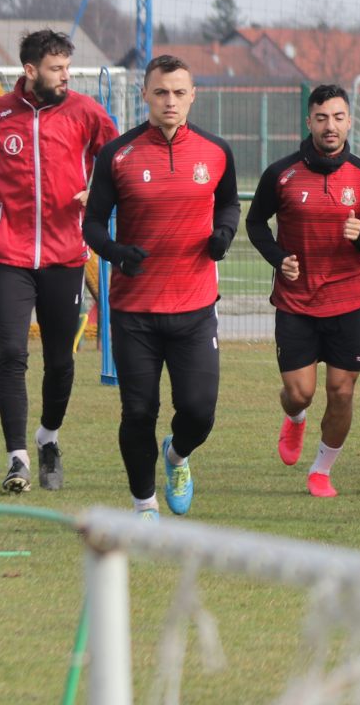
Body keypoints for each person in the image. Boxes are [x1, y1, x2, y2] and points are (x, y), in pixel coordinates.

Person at [0, 27, 116, 493]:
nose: (65, 76)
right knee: (11, 354)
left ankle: (48, 439)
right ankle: (17, 459)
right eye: (56, 69)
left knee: (60, 361)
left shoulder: (85, 111)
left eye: (68, 67)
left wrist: (98, 192)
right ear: (30, 71)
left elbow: (116, 158)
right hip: (8, 253)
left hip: (65, 255)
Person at [83, 56, 239, 519]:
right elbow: (92, 223)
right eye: (160, 92)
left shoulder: (216, 151)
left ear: (193, 96)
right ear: (145, 96)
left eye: (178, 92)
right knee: (138, 412)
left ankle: (176, 456)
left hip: (195, 308)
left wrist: (223, 235)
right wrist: (114, 252)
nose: (170, 101)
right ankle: (143, 505)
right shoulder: (118, 154)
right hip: (135, 311)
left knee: (199, 412)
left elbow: (228, 203)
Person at [246, 84, 360, 497]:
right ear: (309, 121)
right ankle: (295, 419)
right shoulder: (281, 173)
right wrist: (278, 257)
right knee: (299, 393)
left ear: (350, 121)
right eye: (322, 117)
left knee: (341, 391)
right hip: (296, 300)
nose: (331, 126)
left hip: (347, 301)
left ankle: (322, 470)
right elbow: (256, 224)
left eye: (338, 117)